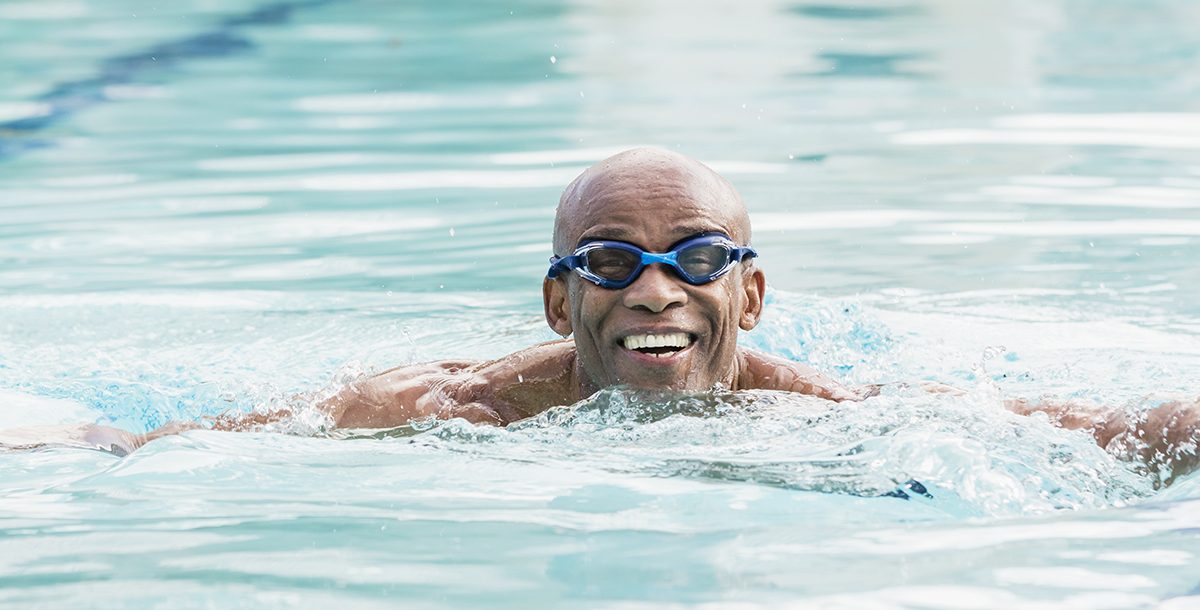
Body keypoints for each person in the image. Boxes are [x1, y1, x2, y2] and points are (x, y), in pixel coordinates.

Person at [8, 148, 1200, 482]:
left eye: (694, 256)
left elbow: (1072, 430)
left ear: (751, 292)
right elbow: (187, 445)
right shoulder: (454, 409)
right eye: (614, 258)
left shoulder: (827, 411)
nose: (652, 288)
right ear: (560, 296)